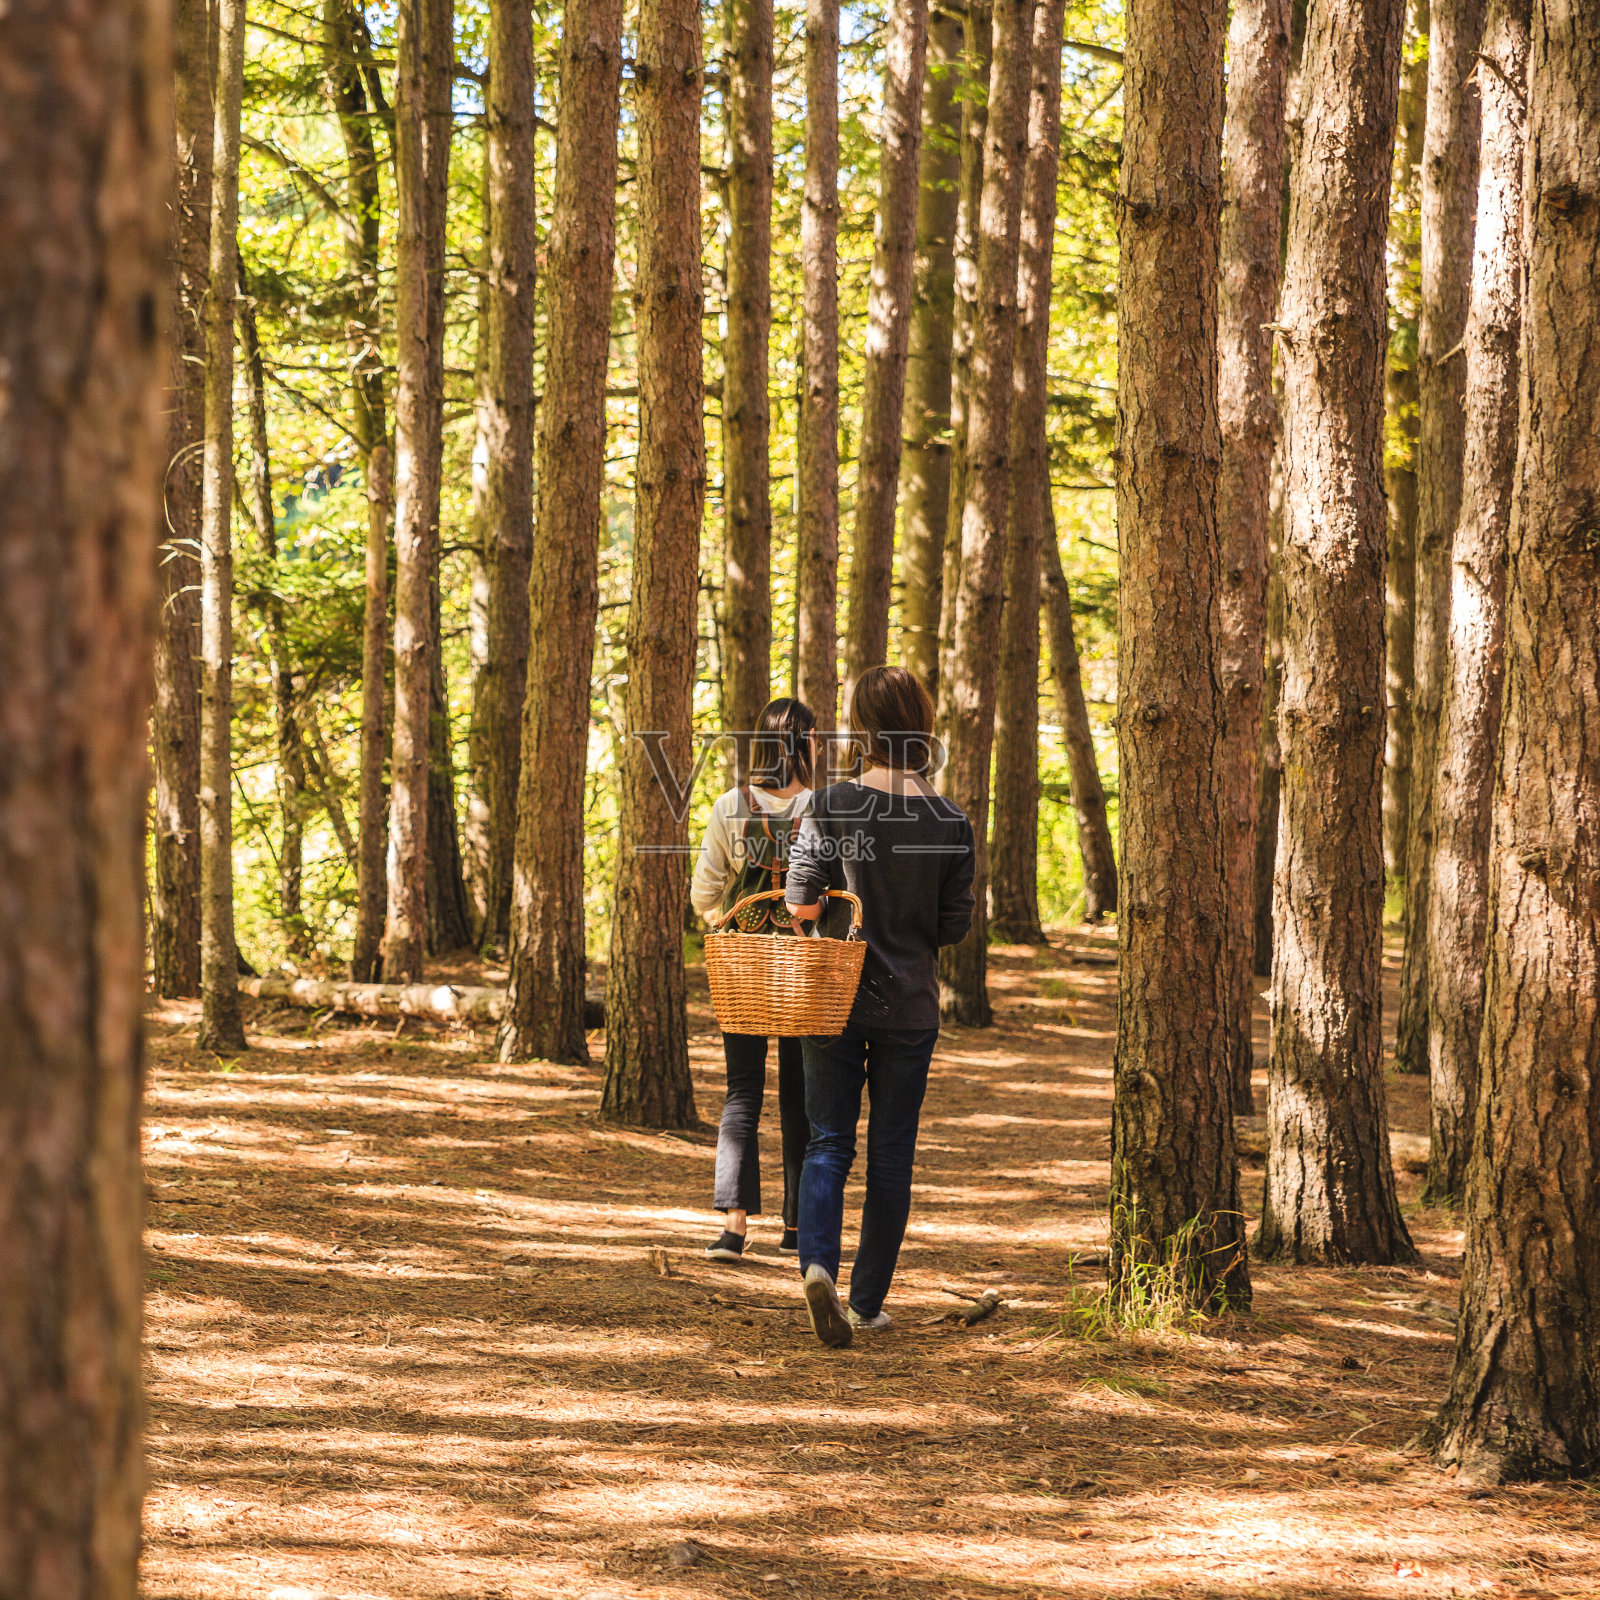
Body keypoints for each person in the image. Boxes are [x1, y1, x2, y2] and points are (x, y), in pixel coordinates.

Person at [784, 665, 975, 1347]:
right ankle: (865, 1303)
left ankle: (817, 1270)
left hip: (834, 997)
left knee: (827, 1141)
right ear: (921, 726)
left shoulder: (830, 804)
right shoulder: (950, 819)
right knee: (892, 1152)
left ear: (862, 729)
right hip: (911, 1005)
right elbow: (954, 927)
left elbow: (800, 904)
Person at [690, 697, 818, 1262]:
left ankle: (734, 1229)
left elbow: (703, 896)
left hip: (743, 966)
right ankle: (796, 1228)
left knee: (743, 1089)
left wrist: (729, 928)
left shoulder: (729, 806)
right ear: (805, 742)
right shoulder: (823, 805)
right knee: (800, 1092)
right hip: (803, 969)